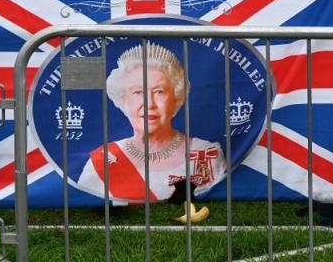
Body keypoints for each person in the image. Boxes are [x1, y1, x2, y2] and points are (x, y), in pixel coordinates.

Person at [78, 41, 226, 202]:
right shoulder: (103, 160)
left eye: (159, 92)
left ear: (176, 99)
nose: (149, 103)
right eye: (138, 92)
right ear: (123, 100)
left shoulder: (206, 154)